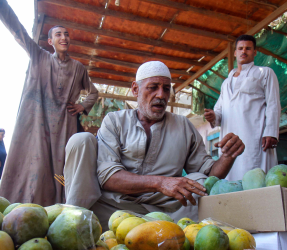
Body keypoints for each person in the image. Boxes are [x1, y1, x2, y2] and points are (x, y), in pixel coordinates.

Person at [64, 61, 245, 230]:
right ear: (135, 89)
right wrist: (160, 182)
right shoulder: (115, 121)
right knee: (81, 141)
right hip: (113, 209)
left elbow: (210, 174)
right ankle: (73, 222)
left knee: (199, 182)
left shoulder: (183, 125)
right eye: (153, 88)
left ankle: (173, 230)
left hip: (165, 211)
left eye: (166, 89)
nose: (161, 95)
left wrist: (228, 156)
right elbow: (108, 177)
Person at [0, 0, 98, 206]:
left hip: (65, 125)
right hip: (38, 124)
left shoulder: (79, 68)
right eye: (58, 34)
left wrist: (82, 106)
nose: (64, 37)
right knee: (35, 167)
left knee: (62, 171)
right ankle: (20, 210)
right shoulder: (39, 57)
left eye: (66, 34)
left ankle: (59, 211)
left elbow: (93, 93)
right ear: (50, 41)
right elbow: (18, 31)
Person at [204, 35, 281, 181]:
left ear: (255, 52)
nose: (243, 51)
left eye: (248, 48)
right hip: (230, 140)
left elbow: (273, 103)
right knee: (231, 179)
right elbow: (220, 110)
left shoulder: (264, 73)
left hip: (255, 138)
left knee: (256, 178)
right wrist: (214, 116)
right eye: (240, 48)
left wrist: (271, 132)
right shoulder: (226, 83)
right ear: (235, 53)